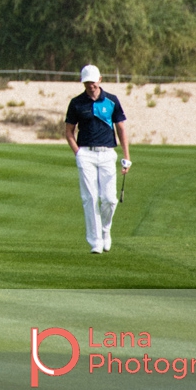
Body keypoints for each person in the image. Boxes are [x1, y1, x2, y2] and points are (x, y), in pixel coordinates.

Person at [63, 64, 131, 254]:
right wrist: (78, 152)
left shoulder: (111, 101)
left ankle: (105, 230)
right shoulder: (77, 103)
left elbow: (121, 129)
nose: (90, 86)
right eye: (87, 83)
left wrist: (127, 157)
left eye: (93, 82)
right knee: (90, 198)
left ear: (99, 80)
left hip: (108, 153)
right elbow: (69, 131)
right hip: (86, 153)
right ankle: (95, 241)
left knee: (109, 199)